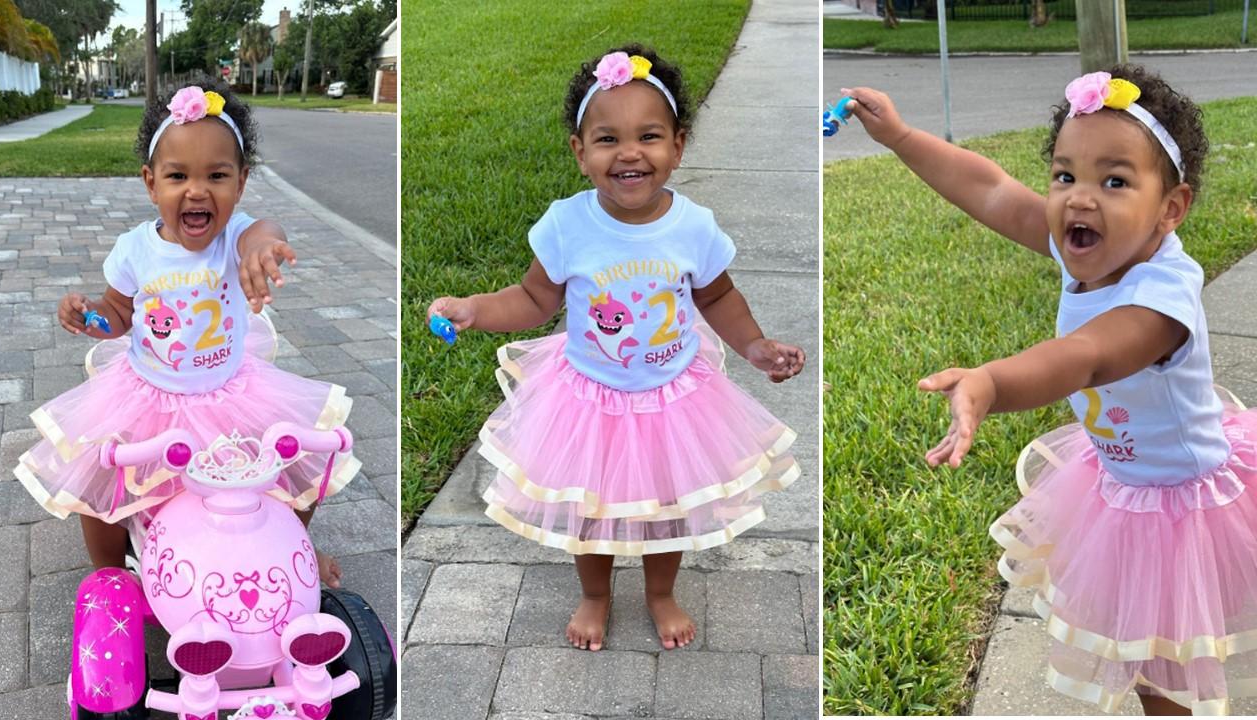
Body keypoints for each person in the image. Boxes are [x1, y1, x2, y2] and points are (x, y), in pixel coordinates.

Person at [847, 65, 1255, 714]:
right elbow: (990, 191)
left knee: (1174, 664)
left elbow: (1083, 358)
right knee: (1143, 651)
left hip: (1184, 506)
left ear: (1170, 209)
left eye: (1114, 181)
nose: (1079, 198)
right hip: (1122, 483)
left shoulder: (1160, 301)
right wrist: (900, 137)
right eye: (1065, 175)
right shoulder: (1090, 247)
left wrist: (990, 381)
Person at [428, 45, 805, 652]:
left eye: (649, 136)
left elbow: (718, 297)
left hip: (674, 396)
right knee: (594, 510)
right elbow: (532, 298)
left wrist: (755, 345)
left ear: (678, 146)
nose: (629, 153)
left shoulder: (694, 225)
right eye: (607, 139)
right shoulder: (566, 224)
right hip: (591, 398)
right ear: (581, 153)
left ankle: (661, 593)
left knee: (670, 505)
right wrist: (474, 309)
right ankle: (596, 594)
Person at [16, 82, 359, 588]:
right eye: (178, 176)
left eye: (216, 176)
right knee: (102, 480)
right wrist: (90, 316)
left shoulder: (236, 237)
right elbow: (118, 313)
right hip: (148, 395)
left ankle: (295, 546)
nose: (197, 190)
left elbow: (266, 228)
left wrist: (262, 250)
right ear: (151, 183)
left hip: (229, 394)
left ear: (240, 184)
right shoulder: (135, 249)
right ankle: (112, 580)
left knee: (292, 469)